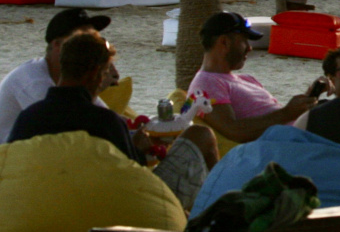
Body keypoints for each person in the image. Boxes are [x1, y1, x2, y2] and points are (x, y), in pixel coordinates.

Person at [8, 30, 217, 211]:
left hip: (40, 207)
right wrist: (139, 151)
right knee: (201, 135)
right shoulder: (103, 121)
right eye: (106, 71)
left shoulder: (28, 118)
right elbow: (132, 178)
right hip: (112, 210)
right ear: (95, 73)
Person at [186, 11, 315, 143]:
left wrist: (304, 101)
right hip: (296, 142)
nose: (249, 48)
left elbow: (274, 112)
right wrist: (287, 113)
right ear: (224, 42)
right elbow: (234, 130)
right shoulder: (206, 83)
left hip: (304, 134)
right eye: (244, 41)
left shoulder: (247, 79)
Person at [0, 7, 111, 142]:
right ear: (57, 45)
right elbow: (65, 125)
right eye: (83, 40)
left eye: (96, 40)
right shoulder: (32, 80)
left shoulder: (71, 79)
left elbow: (103, 116)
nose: (92, 47)